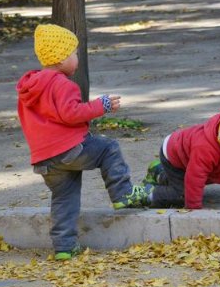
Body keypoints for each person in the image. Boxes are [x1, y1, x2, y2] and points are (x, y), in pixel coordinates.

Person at [16, 24, 150, 260]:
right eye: (74, 53)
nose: (77, 58)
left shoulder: (30, 89)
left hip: (45, 159)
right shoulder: (62, 84)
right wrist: (103, 105)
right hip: (70, 150)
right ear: (60, 58)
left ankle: (64, 248)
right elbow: (71, 113)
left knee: (63, 197)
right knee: (109, 148)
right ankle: (123, 194)